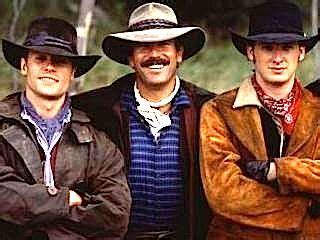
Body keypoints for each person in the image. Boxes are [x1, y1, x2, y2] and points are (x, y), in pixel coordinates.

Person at [73, 2, 214, 239]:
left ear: (179, 54)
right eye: (143, 47)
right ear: (130, 58)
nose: (154, 54)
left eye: (163, 45)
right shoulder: (99, 108)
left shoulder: (206, 108)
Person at [0, 17, 131, 240]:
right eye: (40, 58)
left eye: (60, 61)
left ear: (72, 72)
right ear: (24, 66)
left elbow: (115, 214)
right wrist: (67, 199)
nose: (49, 67)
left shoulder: (97, 140)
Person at [200, 1, 320, 239]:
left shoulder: (317, 109)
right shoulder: (219, 110)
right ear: (250, 52)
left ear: (301, 52)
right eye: (267, 47)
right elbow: (224, 194)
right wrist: (304, 208)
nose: (278, 58)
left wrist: (279, 170)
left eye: (287, 47)